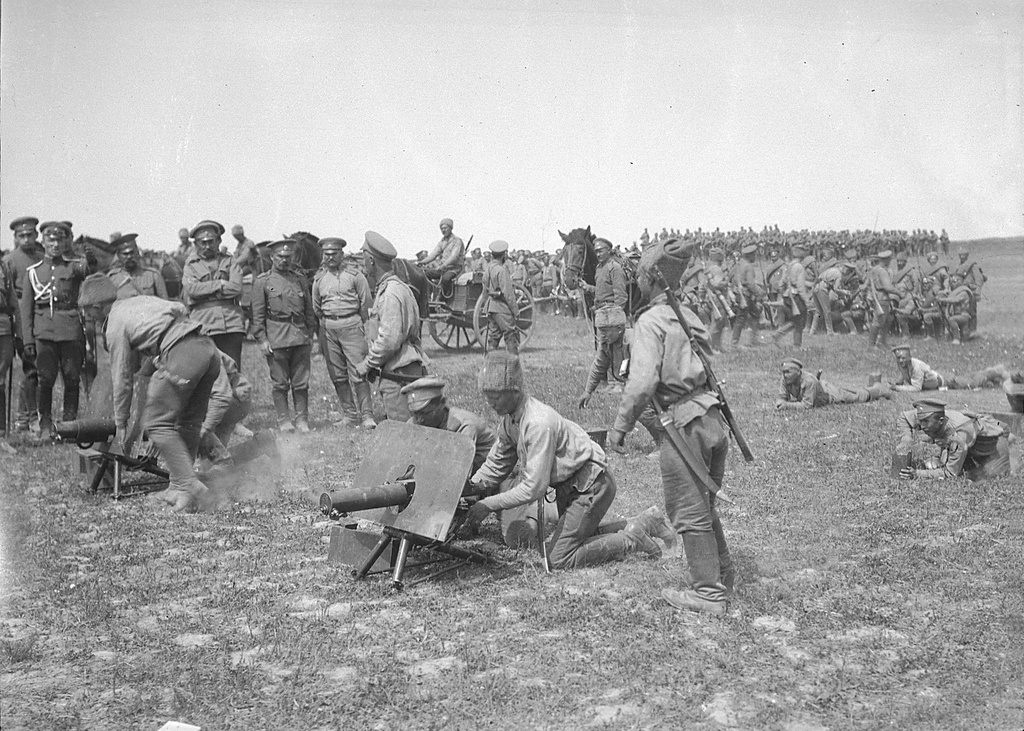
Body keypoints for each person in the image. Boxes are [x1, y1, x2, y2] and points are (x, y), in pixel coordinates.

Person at [609, 237, 735, 615]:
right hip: (711, 420)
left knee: (689, 510)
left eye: (640, 277)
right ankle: (723, 572)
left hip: (683, 426)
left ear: (649, 278)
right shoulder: (687, 315)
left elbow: (643, 382)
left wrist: (620, 426)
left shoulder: (650, 322)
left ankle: (709, 593)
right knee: (704, 504)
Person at [465, 352, 672, 570]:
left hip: (591, 486)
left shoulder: (536, 423)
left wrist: (487, 504)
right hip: (572, 488)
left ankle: (632, 540)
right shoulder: (511, 421)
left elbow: (533, 488)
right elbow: (497, 463)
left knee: (558, 558)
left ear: (514, 391)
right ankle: (645, 522)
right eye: (486, 396)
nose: (489, 403)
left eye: (495, 397)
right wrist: (470, 488)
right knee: (578, 537)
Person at [20, 221, 93, 433]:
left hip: (70, 331)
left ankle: (69, 425)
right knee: (45, 379)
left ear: (65, 242)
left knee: (71, 377)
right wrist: (28, 341)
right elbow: (26, 310)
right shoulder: (33, 272)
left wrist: (90, 256)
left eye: (59, 240)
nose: (55, 245)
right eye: (51, 240)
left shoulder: (73, 266)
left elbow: (89, 270)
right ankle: (45, 424)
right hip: (44, 333)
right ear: (42, 242)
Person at [355, 231, 428, 421]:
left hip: (398, 372)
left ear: (371, 260)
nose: (363, 264)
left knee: (403, 430)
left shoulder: (389, 294)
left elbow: (389, 339)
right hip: (403, 368)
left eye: (364, 258)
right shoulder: (399, 287)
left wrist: (368, 364)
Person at [252, 240, 315, 433]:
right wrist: (262, 339)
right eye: (280, 257)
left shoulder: (300, 280)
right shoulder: (263, 282)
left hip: (300, 336)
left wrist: (310, 334)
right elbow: (258, 315)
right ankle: (284, 421)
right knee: (280, 383)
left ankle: (302, 420)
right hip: (277, 337)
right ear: (272, 257)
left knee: (301, 382)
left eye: (288, 257)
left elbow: (309, 310)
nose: (284, 261)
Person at [311, 237, 375, 429]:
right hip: (330, 329)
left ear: (342, 254)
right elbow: (317, 307)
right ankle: (349, 414)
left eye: (334, 254)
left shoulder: (355, 276)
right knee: (337, 374)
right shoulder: (319, 279)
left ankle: (367, 416)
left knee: (359, 371)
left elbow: (366, 303)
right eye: (326, 254)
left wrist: (360, 326)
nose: (330, 258)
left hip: (352, 326)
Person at [895, 397, 1010, 481]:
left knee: (988, 476)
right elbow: (904, 417)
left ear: (941, 420)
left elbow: (951, 473)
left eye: (925, 422)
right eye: (920, 421)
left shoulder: (958, 436)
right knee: (945, 464)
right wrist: (906, 439)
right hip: (968, 446)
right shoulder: (929, 415)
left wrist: (917, 473)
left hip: (994, 447)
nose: (922, 425)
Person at [181, 220, 246, 368]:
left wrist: (205, 290)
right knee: (206, 375)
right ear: (195, 244)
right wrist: (221, 284)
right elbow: (192, 290)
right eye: (202, 243)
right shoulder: (191, 266)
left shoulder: (229, 261)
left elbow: (236, 288)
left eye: (211, 242)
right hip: (203, 324)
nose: (207, 246)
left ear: (218, 241)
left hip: (231, 324)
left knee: (233, 372)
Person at [400, 376, 496, 473]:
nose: (419, 420)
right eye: (415, 413)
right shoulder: (413, 423)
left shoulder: (464, 426)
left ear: (442, 403)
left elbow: (459, 472)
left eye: (425, 413)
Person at [577, 238, 628, 404]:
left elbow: (621, 297)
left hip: (612, 315)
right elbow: (601, 292)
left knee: (617, 350)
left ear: (609, 251)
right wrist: (587, 287)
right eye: (596, 251)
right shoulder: (599, 269)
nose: (598, 253)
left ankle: (618, 383)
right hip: (601, 315)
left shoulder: (615, 269)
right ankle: (609, 382)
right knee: (604, 350)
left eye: (601, 250)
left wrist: (615, 316)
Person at [4, 217, 42, 433]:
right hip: (19, 319)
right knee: (29, 368)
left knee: (36, 369)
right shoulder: (9, 261)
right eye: (22, 236)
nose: (27, 239)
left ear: (37, 235)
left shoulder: (42, 258)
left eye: (30, 235)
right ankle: (24, 418)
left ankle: (27, 417)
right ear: (16, 238)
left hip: (40, 317)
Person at [198, 349, 253, 466]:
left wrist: (206, 429)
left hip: (234, 398)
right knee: (211, 460)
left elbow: (222, 396)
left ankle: (223, 464)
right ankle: (264, 444)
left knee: (189, 417)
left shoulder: (201, 351)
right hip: (222, 399)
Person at [775, 358, 891, 409]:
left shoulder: (809, 381)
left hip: (831, 395)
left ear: (798, 372)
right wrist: (780, 403)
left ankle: (879, 388)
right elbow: (781, 397)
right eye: (783, 372)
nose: (785, 375)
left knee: (858, 396)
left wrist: (787, 405)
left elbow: (807, 406)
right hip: (821, 390)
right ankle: (875, 387)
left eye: (788, 372)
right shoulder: (786, 379)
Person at [889, 345, 1008, 392]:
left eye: (903, 358)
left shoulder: (917, 367)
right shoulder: (903, 364)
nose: (900, 360)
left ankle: (996, 371)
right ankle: (993, 378)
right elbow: (904, 373)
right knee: (969, 378)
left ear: (910, 356)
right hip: (940, 379)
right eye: (898, 358)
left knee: (972, 383)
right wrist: (899, 381)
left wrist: (897, 388)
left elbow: (916, 388)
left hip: (947, 381)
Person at [481, 240, 520, 354]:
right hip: (502, 308)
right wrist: (515, 311)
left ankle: (488, 367)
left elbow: (484, 291)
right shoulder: (502, 271)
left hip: (491, 308)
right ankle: (514, 367)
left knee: (493, 337)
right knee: (510, 335)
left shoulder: (487, 269)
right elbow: (508, 294)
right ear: (503, 255)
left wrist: (485, 307)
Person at [772, 243, 812, 348]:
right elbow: (801, 287)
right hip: (796, 297)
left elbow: (781, 283)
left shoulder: (788, 265)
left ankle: (778, 334)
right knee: (799, 323)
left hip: (788, 296)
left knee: (794, 321)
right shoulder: (799, 267)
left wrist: (784, 294)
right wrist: (807, 301)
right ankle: (797, 347)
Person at [106, 234, 169, 299]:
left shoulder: (153, 275)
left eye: (132, 252)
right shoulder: (112, 279)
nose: (129, 256)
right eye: (125, 254)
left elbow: (166, 304)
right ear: (119, 256)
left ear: (138, 253)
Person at [730, 243, 765, 346]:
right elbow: (750, 284)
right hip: (745, 296)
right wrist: (760, 292)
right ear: (749, 255)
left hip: (738, 293)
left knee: (755, 314)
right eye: (754, 255)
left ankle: (754, 340)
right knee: (741, 318)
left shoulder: (739, 264)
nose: (755, 257)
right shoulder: (748, 266)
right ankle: (734, 343)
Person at [866, 250, 901, 348]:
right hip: (882, 298)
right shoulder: (882, 271)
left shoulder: (874, 269)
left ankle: (882, 341)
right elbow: (888, 287)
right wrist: (899, 293)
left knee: (888, 320)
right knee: (878, 322)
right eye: (889, 259)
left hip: (876, 297)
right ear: (887, 259)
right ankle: (871, 345)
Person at [0, 255, 17, 454]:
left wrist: (19, 334)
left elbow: (12, 301)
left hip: (3, 328)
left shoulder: (2, 266)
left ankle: (1, 436)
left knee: (0, 382)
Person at [420, 218, 465, 289]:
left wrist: (443, 266)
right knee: (426, 274)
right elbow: (434, 254)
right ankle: (430, 294)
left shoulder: (457, 241)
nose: (443, 230)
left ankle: (442, 298)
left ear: (450, 228)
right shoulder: (442, 241)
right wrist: (422, 262)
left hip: (454, 269)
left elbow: (454, 257)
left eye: (445, 228)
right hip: (443, 269)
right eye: (441, 229)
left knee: (445, 279)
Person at [939, 273, 974, 344]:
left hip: (963, 315)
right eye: (951, 282)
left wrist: (942, 299)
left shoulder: (964, 292)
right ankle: (953, 336)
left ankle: (956, 339)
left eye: (955, 281)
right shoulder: (954, 292)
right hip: (956, 314)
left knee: (952, 320)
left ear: (961, 282)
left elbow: (955, 300)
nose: (952, 284)